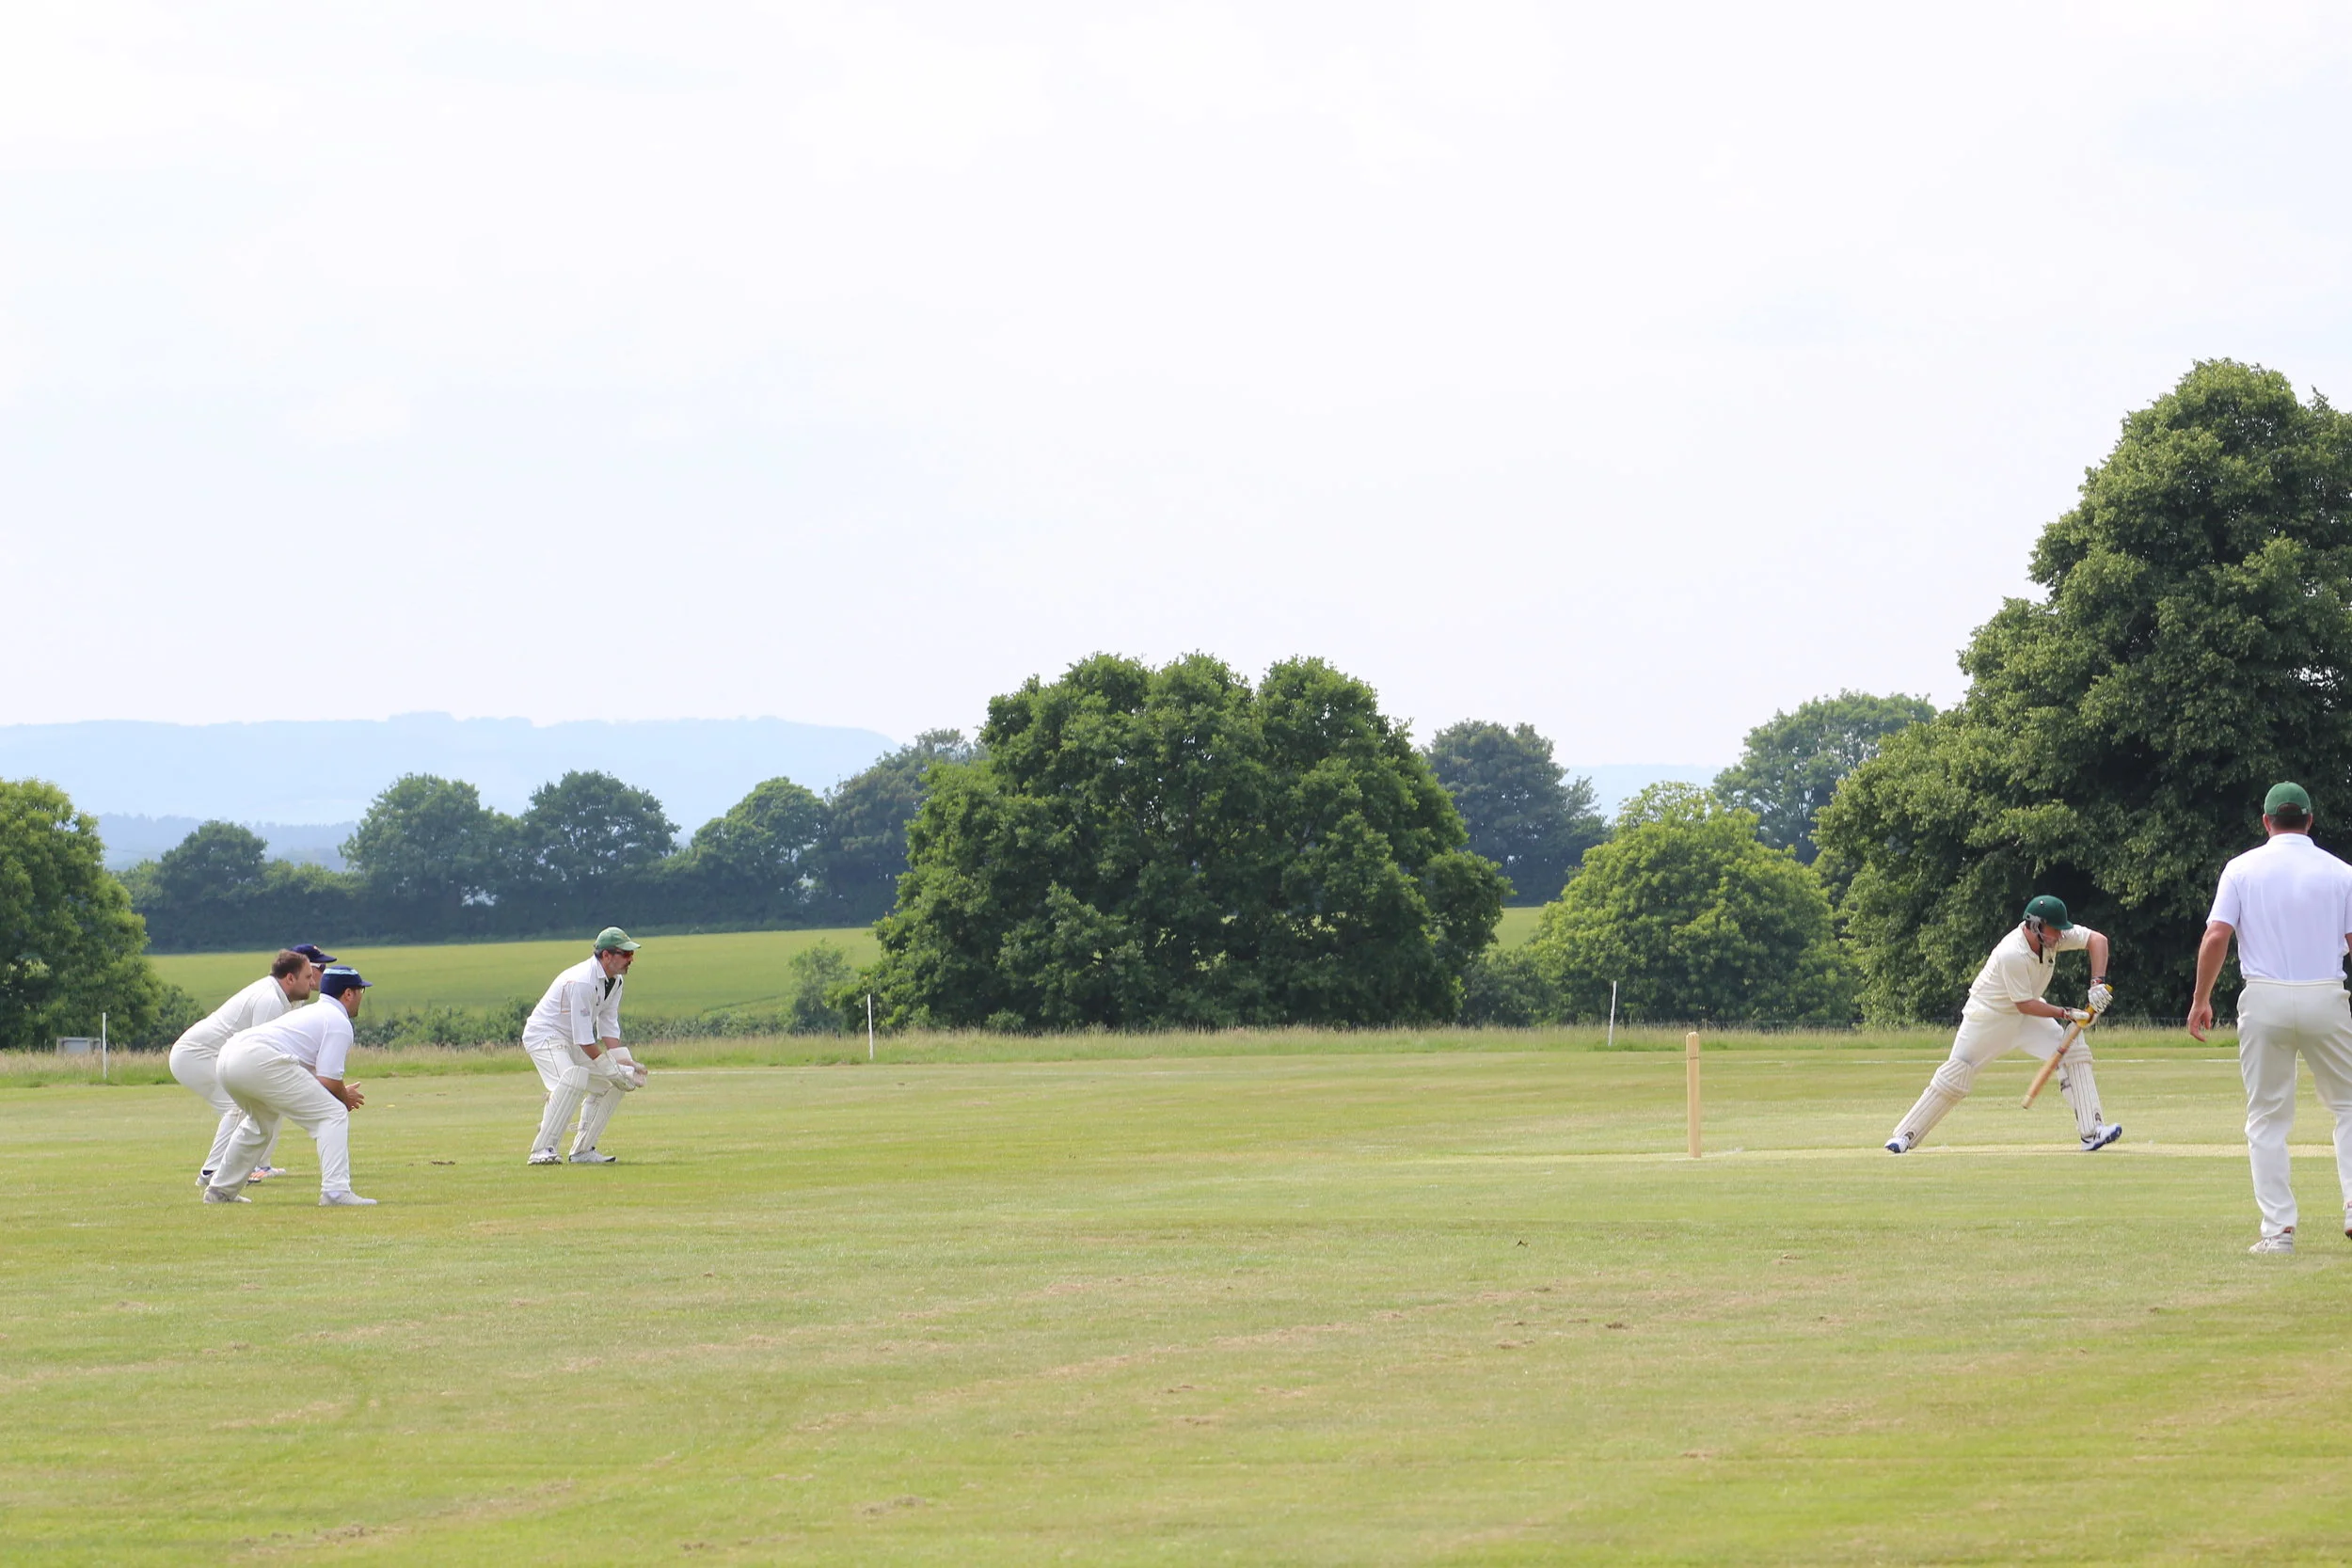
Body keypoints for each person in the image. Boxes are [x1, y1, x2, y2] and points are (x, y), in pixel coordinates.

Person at [2188, 783, 2352, 1256]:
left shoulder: (2241, 868)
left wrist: (2201, 999)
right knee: (2348, 1105)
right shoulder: (2341, 872)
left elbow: (2216, 936)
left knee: (2266, 1118)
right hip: (2326, 995)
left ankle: (2278, 1232)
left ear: (2266, 821)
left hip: (2264, 999)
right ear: (2310, 820)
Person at [1884, 895, 2121, 1154]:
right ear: (2035, 926)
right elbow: (2024, 1004)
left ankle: (2092, 1131)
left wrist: (2097, 983)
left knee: (2074, 1050)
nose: (2060, 936)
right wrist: (2067, 1013)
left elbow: (2097, 940)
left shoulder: (2054, 936)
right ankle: (1904, 1136)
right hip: (1989, 1017)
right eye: (2055, 930)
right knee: (1956, 1074)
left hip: (2028, 1016)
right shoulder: (2012, 952)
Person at [203, 965, 377, 1207]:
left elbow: (315, 1074)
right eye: (360, 991)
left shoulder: (314, 1013)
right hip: (257, 1058)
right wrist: (344, 1098)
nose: (360, 997)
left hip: (229, 1056)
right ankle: (335, 1192)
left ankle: (220, 1192)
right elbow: (328, 1080)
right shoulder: (338, 1021)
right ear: (348, 993)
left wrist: (339, 1092)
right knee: (332, 1114)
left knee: (260, 1124)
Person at [167, 946, 327, 1187]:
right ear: (290, 978)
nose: (313, 981)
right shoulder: (270, 1000)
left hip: (214, 1056)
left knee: (256, 1104)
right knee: (236, 1107)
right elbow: (260, 1052)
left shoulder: (284, 999)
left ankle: (248, 1167)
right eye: (309, 976)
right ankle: (212, 1171)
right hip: (194, 1055)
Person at [521, 927, 646, 1166]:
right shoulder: (582, 982)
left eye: (632, 954)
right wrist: (609, 1067)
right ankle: (542, 1149)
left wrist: (624, 1065)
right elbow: (584, 1038)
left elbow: (608, 1027)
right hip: (545, 1036)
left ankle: (583, 1150)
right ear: (606, 955)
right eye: (625, 954)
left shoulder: (616, 982)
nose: (631, 959)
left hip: (572, 1040)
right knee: (572, 1079)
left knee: (614, 1083)